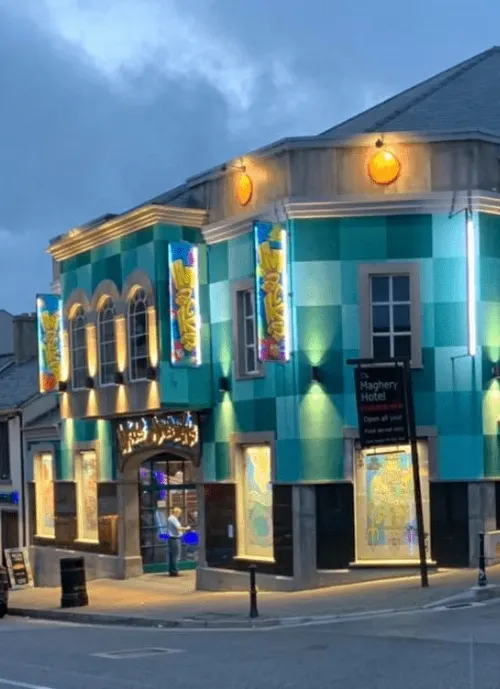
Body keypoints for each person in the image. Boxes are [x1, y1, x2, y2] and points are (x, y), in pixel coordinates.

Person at [166, 507, 190, 576]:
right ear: (176, 512)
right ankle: (174, 571)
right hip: (175, 539)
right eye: (179, 513)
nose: (179, 515)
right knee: (176, 556)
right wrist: (186, 528)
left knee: (172, 556)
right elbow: (178, 528)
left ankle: (172, 571)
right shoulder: (173, 518)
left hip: (172, 539)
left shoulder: (170, 518)